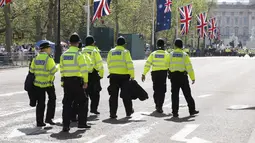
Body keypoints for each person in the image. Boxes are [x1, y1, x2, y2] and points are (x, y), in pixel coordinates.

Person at [60, 33, 91, 132]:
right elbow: (84, 69)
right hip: (77, 82)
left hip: (67, 82)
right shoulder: (79, 55)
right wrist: (85, 81)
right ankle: (82, 123)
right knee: (83, 101)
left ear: (69, 43)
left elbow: (62, 69)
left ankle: (65, 125)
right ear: (78, 43)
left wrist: (62, 81)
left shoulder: (64, 55)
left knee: (67, 103)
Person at [29, 42, 58, 127]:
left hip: (38, 84)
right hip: (48, 83)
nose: (50, 50)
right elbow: (53, 70)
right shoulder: (48, 59)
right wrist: (58, 67)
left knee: (40, 103)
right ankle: (49, 118)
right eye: (49, 48)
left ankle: (39, 121)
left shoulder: (36, 58)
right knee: (52, 100)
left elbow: (31, 70)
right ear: (45, 49)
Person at [169, 38, 199, 117]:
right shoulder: (184, 55)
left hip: (174, 77)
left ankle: (175, 112)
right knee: (187, 94)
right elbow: (189, 67)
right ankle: (192, 110)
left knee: (174, 95)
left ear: (175, 45)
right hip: (183, 77)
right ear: (182, 46)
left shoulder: (171, 54)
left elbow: (167, 65)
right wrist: (192, 77)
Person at [107, 36, 135, 118]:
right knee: (126, 95)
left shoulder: (111, 52)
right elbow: (130, 64)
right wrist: (132, 76)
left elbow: (108, 63)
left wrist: (112, 71)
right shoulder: (125, 52)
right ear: (124, 44)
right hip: (124, 77)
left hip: (113, 76)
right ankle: (129, 111)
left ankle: (112, 113)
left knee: (113, 96)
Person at [142, 38, 170, 113]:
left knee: (156, 90)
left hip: (155, 74)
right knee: (162, 90)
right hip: (163, 74)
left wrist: (144, 74)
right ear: (163, 45)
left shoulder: (153, 54)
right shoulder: (167, 54)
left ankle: (157, 104)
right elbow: (170, 65)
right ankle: (160, 106)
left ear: (157, 45)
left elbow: (147, 64)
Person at [82, 36, 104, 115]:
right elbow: (99, 64)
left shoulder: (82, 51)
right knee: (95, 93)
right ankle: (93, 108)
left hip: (84, 73)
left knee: (85, 93)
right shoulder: (95, 51)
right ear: (92, 43)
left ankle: (84, 110)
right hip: (93, 74)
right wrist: (101, 74)